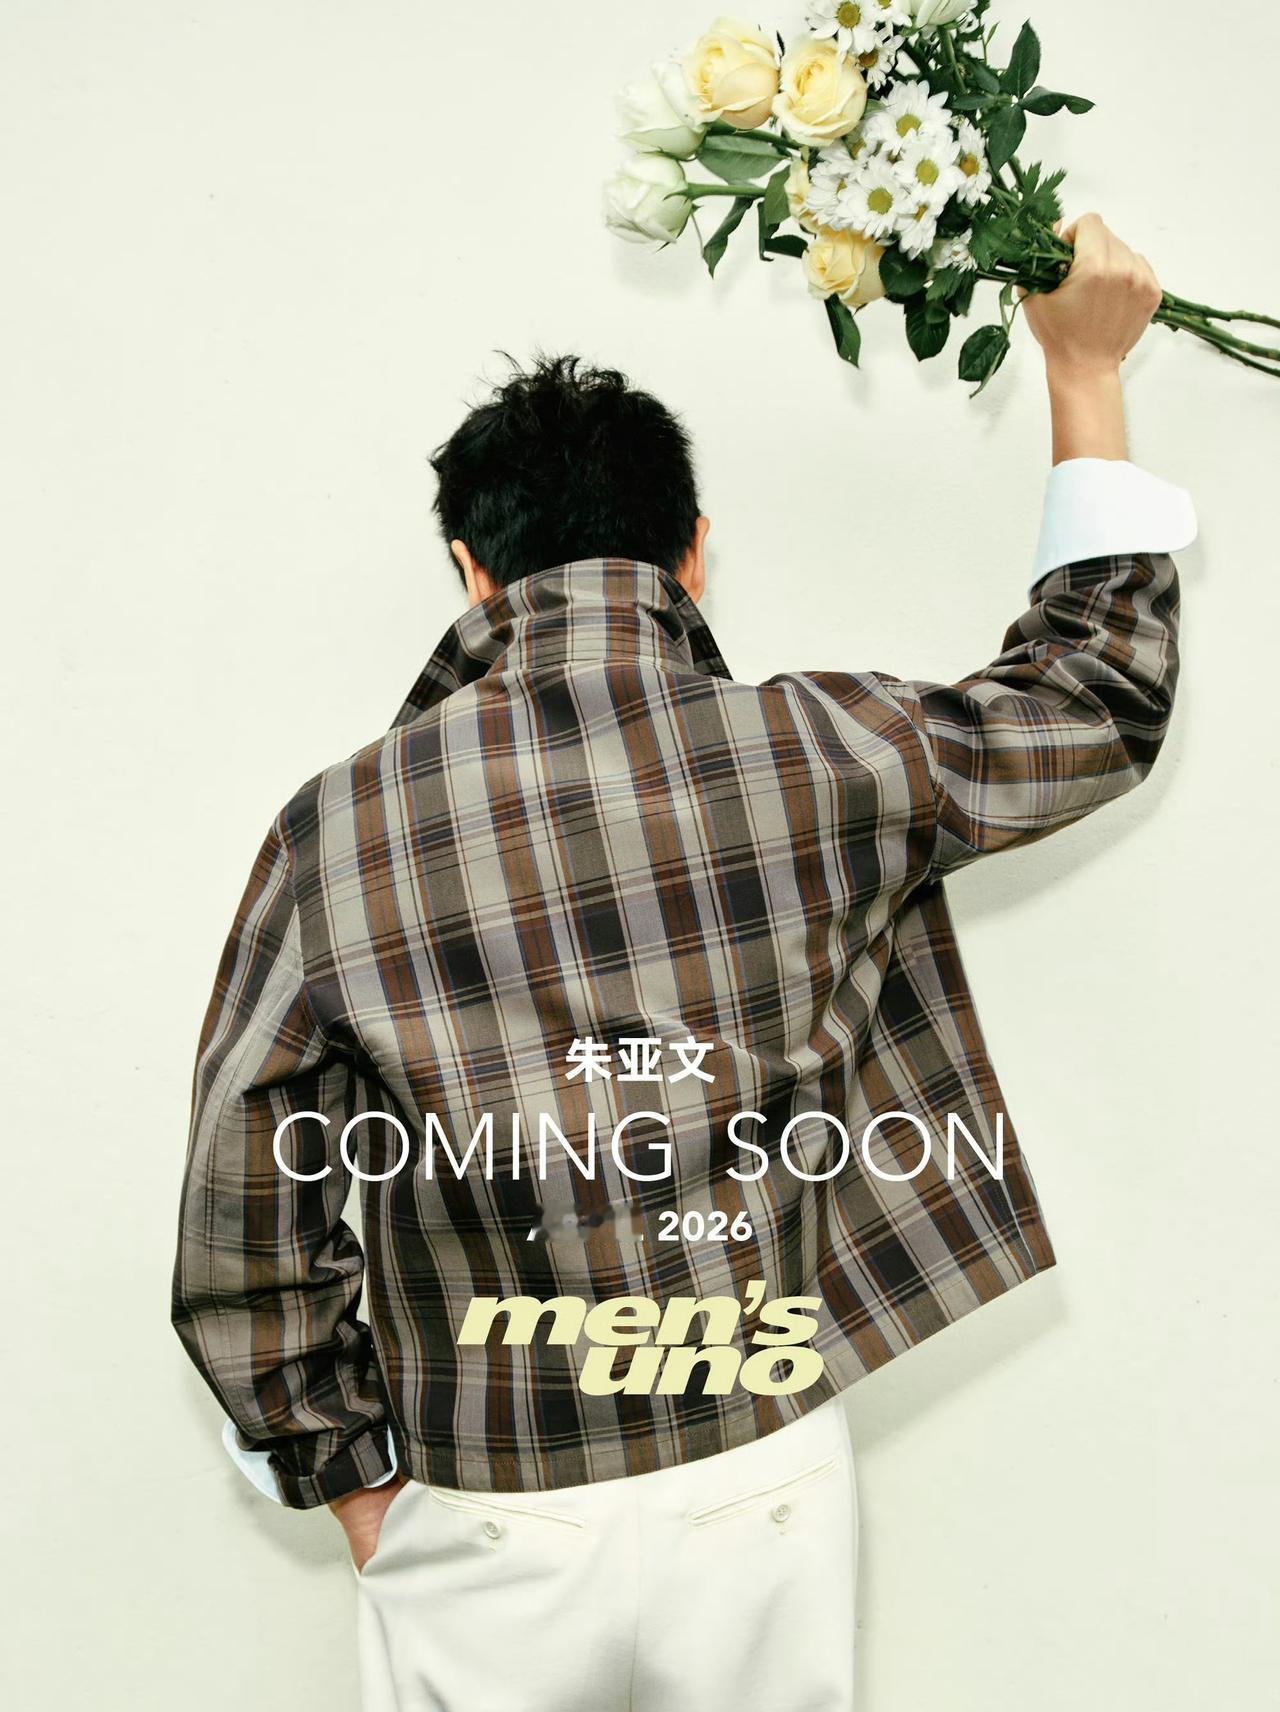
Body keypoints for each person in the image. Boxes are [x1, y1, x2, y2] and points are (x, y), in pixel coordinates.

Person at [171, 212, 1196, 1712]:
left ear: (471, 573)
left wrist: (342, 1473)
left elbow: (242, 1204)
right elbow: (1099, 695)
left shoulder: (337, 832)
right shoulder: (826, 752)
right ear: (696, 554)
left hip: (489, 1501)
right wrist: (1086, 373)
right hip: (762, 1484)